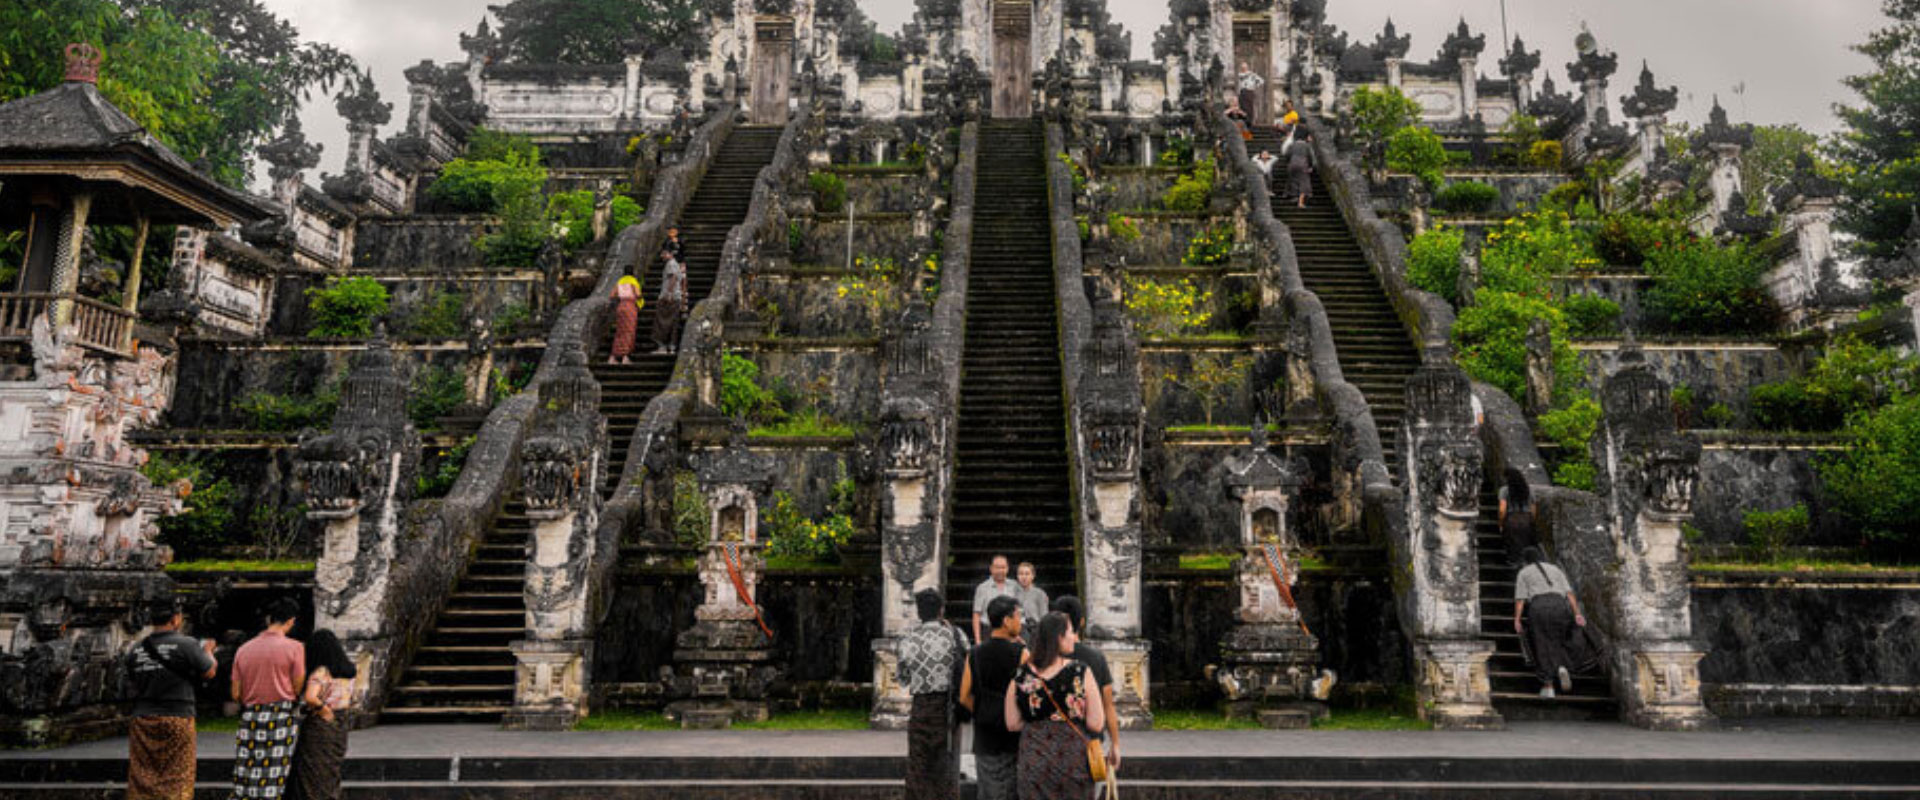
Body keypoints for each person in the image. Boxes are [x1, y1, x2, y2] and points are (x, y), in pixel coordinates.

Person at [1005, 612, 1104, 800]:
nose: (1074, 637)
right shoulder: (1080, 671)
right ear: (1059, 637)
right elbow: (1096, 723)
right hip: (1073, 762)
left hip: (1034, 762)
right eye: (1071, 632)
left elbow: (1012, 723)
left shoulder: (1021, 675)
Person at [125, 599, 217, 800]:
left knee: (143, 775)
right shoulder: (186, 644)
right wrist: (208, 652)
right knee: (178, 775)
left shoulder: (136, 649)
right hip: (177, 715)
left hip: (143, 717)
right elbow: (209, 672)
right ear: (176, 619)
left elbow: (131, 682)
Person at [229, 598, 306, 800]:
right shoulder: (295, 648)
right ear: (291, 621)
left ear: (268, 619)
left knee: (247, 768)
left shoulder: (243, 649)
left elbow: (235, 693)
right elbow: (298, 686)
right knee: (275, 771)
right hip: (281, 715)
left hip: (251, 716)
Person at [897, 589, 970, 800]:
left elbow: (903, 678)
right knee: (946, 763)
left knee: (918, 763)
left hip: (921, 706)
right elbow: (967, 668)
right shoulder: (956, 635)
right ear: (941, 610)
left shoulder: (907, 639)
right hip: (948, 706)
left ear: (919, 612)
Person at [958, 596, 1026, 800]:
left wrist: (981, 710)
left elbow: (963, 695)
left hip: (985, 733)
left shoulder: (975, 652)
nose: (1020, 621)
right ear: (1007, 620)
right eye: (1018, 616)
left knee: (988, 790)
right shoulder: (1021, 653)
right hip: (1014, 734)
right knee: (1013, 789)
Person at [1050, 596, 1120, 774]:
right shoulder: (1095, 658)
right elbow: (1108, 705)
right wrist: (1116, 744)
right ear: (1081, 622)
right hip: (1089, 741)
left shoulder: (1044, 658)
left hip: (1050, 741)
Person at [285, 630, 356, 800]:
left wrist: (322, 709)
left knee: (313, 769)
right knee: (331, 768)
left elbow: (311, 697)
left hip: (320, 724)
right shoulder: (348, 671)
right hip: (341, 723)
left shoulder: (321, 672)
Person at [1513, 546, 1593, 699]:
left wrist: (1517, 619)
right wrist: (1577, 613)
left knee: (1542, 643)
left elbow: (1520, 600)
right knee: (1561, 639)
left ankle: (1548, 685)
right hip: (1560, 605)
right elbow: (1570, 594)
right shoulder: (1555, 569)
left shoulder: (1523, 572)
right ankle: (1562, 665)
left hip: (1539, 606)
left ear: (1525, 561)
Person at [971, 555, 1016, 643]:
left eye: (1003, 567)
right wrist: (977, 639)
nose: (1000, 571)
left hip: (1009, 630)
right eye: (997, 567)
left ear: (1008, 568)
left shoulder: (1015, 586)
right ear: (991, 568)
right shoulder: (982, 588)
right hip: (988, 631)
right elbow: (976, 614)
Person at [1498, 468, 1538, 563]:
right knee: (1525, 543)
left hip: (1511, 519)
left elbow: (1502, 510)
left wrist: (1500, 523)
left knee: (1512, 544)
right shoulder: (1529, 490)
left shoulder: (1504, 490)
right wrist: (1532, 521)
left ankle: (1513, 562)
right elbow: (1533, 509)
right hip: (1526, 519)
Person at [651, 249, 687, 355]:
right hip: (675, 296)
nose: (662, 256)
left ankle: (663, 346)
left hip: (669, 296)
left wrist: (669, 293)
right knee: (672, 322)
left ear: (670, 254)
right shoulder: (675, 264)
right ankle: (671, 346)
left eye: (664, 253)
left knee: (661, 322)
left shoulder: (671, 264)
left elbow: (673, 278)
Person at [608, 275, 643, 365]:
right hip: (630, 307)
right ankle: (625, 356)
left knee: (619, 331)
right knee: (629, 331)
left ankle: (613, 356)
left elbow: (612, 295)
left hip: (621, 306)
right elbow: (638, 294)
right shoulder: (633, 281)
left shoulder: (620, 282)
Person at [1013, 562, 1049, 645]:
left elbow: (1044, 616)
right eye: (1021, 574)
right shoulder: (1013, 593)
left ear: (1032, 576)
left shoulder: (1040, 594)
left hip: (1035, 630)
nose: (1024, 577)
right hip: (1018, 630)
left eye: (1027, 574)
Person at [1284, 132, 1315, 208]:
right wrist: (1311, 166)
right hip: (1303, 165)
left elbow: (1287, 154)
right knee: (1304, 182)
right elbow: (1310, 156)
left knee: (1294, 180)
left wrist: (1289, 162)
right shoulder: (1306, 146)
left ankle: (1294, 196)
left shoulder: (1292, 145)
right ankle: (1301, 201)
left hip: (1292, 165)